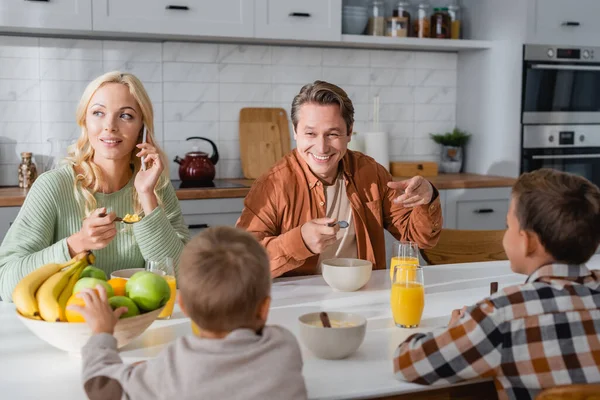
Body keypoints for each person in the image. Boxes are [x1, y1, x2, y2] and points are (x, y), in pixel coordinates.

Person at [393, 169, 600, 400]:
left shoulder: (502, 315)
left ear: (528, 243)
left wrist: (455, 329)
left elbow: (407, 362)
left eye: (508, 225)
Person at [0, 71, 189, 301]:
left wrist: (146, 195)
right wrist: (76, 244)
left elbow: (181, 279)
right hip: (68, 327)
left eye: (126, 116)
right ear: (84, 122)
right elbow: (6, 283)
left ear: (142, 127)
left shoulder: (156, 187)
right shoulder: (53, 186)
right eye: (98, 113)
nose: (109, 126)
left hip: (139, 325)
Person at [71, 226, 308, 400]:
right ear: (264, 308)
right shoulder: (284, 346)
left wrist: (102, 333)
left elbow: (100, 386)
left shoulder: (173, 366)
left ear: (182, 305)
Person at [236, 81, 442, 278]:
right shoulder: (272, 185)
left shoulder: (371, 174)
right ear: (295, 132)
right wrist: (300, 242)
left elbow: (417, 238)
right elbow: (242, 264)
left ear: (350, 132)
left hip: (363, 292)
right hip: (299, 302)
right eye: (310, 133)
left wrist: (427, 199)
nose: (322, 147)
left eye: (332, 134)